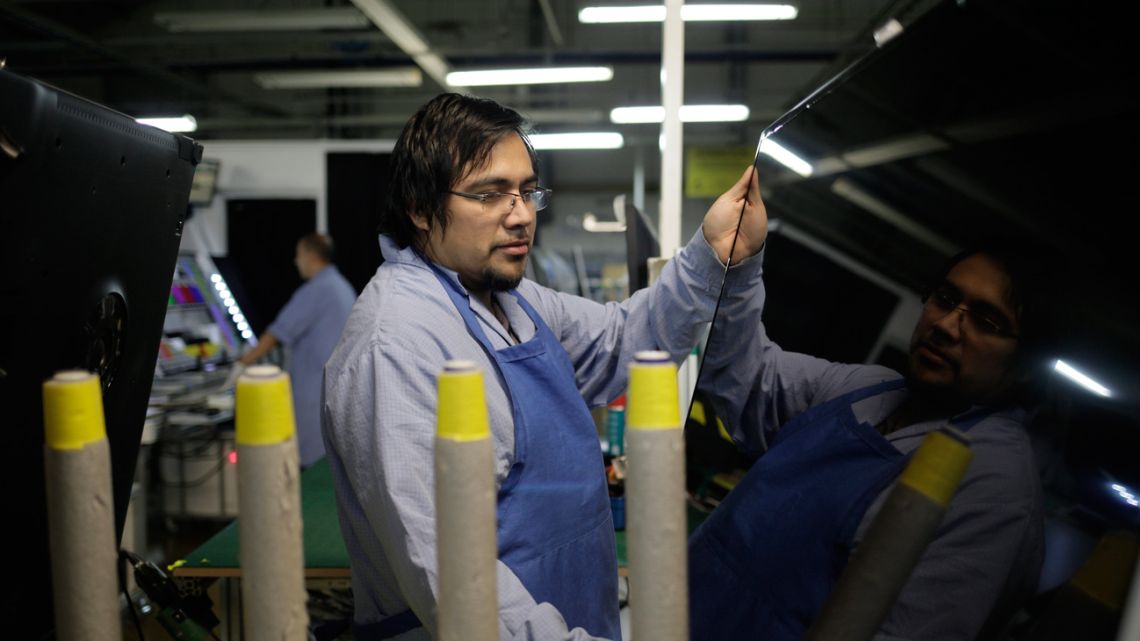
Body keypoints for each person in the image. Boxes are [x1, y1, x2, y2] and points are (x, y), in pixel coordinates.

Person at [320, 93, 767, 641]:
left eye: (528, 191)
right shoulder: (395, 346)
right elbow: (454, 576)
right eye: (490, 195)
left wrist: (710, 252)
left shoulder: (511, 299)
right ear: (419, 207)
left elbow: (625, 341)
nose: (523, 215)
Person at [688, 221, 1053, 640]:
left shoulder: (995, 483)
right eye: (947, 299)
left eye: (987, 321)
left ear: (1026, 366)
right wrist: (741, 261)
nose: (947, 326)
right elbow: (747, 373)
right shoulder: (869, 391)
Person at [233, 232, 356, 467]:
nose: (296, 261)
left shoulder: (317, 290)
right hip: (332, 390)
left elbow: (275, 335)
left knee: (310, 466)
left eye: (298, 255)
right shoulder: (340, 286)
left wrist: (241, 365)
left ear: (311, 256)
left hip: (313, 394)